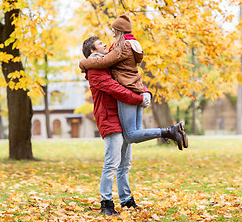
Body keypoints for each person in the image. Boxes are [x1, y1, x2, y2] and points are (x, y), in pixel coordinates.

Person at [81, 36, 187, 216]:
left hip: (122, 117)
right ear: (93, 51)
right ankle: (106, 202)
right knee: (112, 164)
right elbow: (117, 89)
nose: (106, 44)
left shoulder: (108, 65)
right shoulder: (95, 71)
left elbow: (128, 79)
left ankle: (126, 200)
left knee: (125, 164)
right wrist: (139, 99)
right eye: (100, 44)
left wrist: (145, 92)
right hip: (109, 119)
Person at [79, 13, 188, 150]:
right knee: (134, 133)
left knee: (130, 135)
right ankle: (170, 132)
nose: (112, 34)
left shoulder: (122, 46)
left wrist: (83, 63)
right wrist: (144, 92)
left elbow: (104, 61)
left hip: (128, 94)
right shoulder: (131, 45)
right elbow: (130, 73)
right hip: (136, 90)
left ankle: (169, 131)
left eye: (113, 30)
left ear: (119, 30)